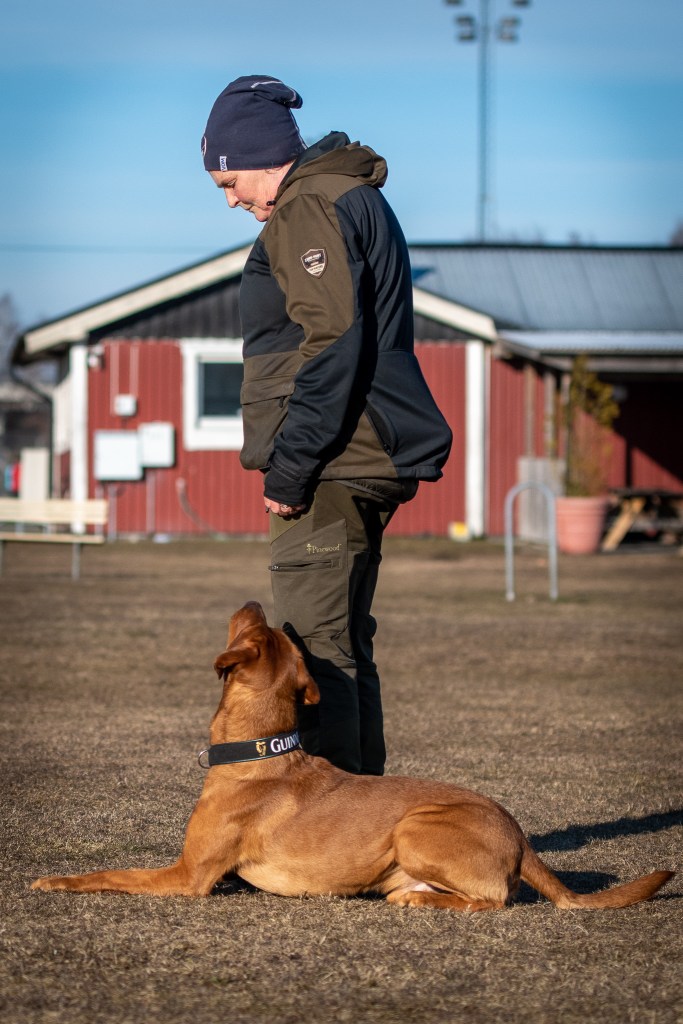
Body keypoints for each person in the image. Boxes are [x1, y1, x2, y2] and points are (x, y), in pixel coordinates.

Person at [201, 75, 452, 775]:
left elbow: (332, 342)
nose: (231, 200)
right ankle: (364, 818)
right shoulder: (349, 194)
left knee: (313, 652)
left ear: (264, 155)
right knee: (344, 647)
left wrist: (291, 467)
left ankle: (330, 825)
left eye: (231, 181)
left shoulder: (307, 205)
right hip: (362, 451)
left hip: (335, 461)